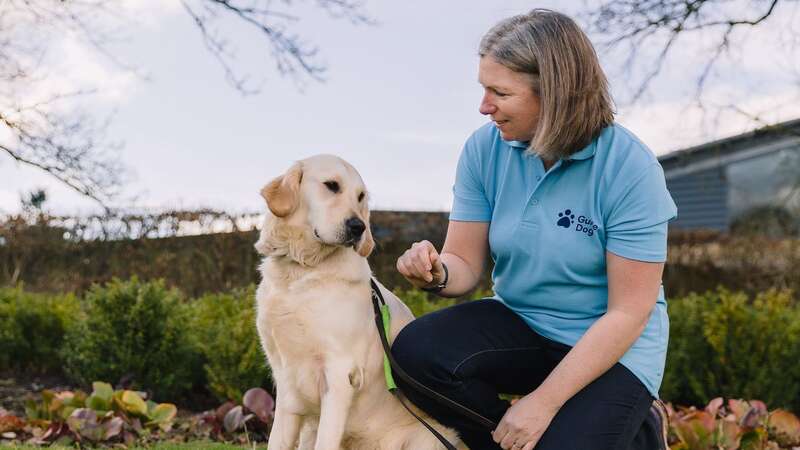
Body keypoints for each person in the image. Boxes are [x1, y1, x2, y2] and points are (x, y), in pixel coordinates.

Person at [391, 9, 677, 450]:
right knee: (416, 353)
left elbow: (628, 313)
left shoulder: (630, 169)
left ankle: (637, 426)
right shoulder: (485, 149)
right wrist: (437, 272)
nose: (484, 106)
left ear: (555, 95)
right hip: (522, 323)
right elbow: (463, 262)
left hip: (611, 346)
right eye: (484, 88)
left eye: (499, 92)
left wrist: (543, 403)